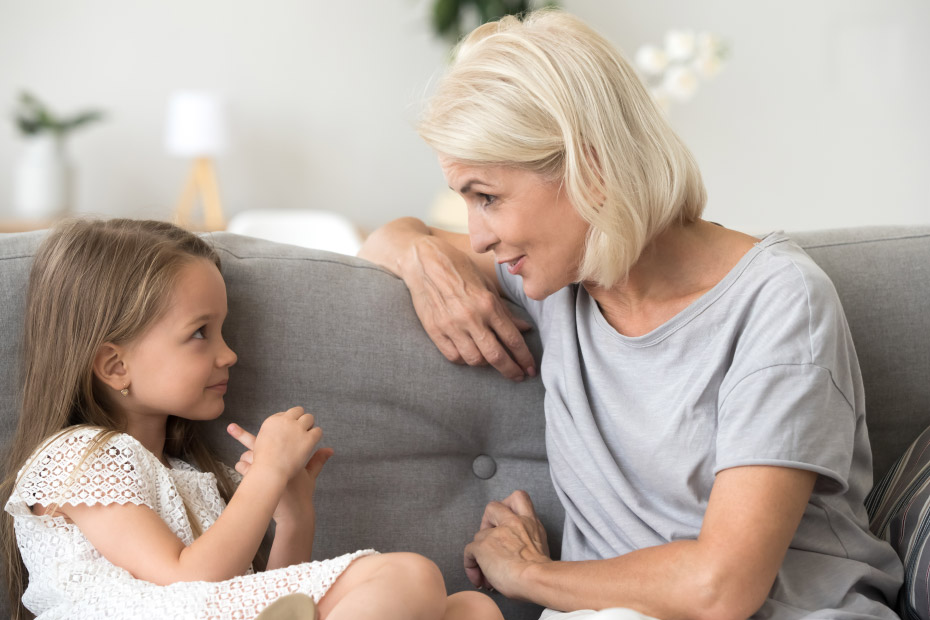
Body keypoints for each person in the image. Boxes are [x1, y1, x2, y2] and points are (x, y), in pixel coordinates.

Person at [358, 9, 904, 620]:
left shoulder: (778, 303)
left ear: (591, 169)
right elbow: (391, 237)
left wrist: (532, 575)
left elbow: (720, 589)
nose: (478, 238)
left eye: (487, 197)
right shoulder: (549, 276)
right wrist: (414, 252)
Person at [0, 218, 504, 620]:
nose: (228, 355)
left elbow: (269, 602)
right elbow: (188, 580)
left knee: (473, 609)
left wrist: (293, 512)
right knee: (410, 577)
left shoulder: (189, 477)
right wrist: (264, 477)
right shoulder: (76, 457)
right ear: (115, 365)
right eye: (201, 333)